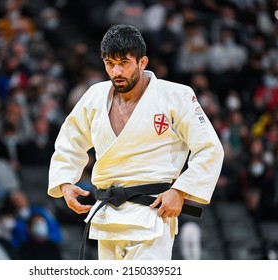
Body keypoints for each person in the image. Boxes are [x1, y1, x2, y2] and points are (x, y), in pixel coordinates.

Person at [47, 24, 224, 260]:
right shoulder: (95, 96)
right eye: (110, 63)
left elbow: (210, 148)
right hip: (107, 217)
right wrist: (65, 182)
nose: (116, 71)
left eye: (124, 63)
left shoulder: (175, 96)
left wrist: (180, 191)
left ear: (142, 62)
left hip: (151, 215)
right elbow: (70, 141)